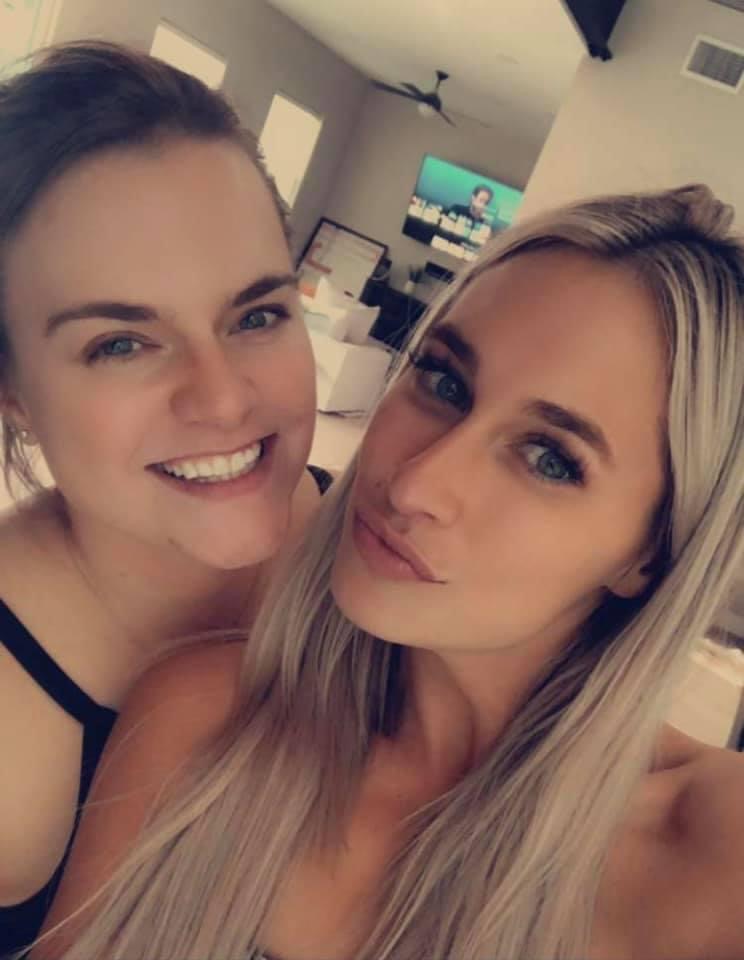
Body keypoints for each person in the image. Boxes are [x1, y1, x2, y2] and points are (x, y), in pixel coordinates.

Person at [35, 185, 744, 960]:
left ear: (652, 554)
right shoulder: (206, 724)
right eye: (443, 382)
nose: (413, 485)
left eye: (549, 458)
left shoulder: (714, 863)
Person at [0, 41, 329, 956]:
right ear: (14, 392)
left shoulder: (400, 552)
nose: (222, 400)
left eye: (257, 315)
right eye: (120, 344)